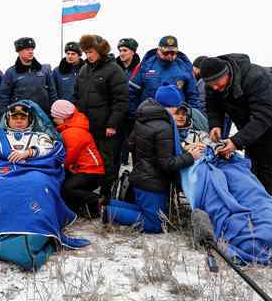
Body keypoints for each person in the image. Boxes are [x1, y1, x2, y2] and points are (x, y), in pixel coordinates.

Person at [0, 100, 89, 271]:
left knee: (36, 185)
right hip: (3, 172)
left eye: (23, 117)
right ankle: (0, 230)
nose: (18, 120)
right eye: (14, 117)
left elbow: (55, 152)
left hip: (36, 171)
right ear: (7, 119)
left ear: (30, 120)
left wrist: (30, 152)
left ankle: (36, 231)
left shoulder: (40, 137)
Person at [105, 85, 203, 233]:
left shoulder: (144, 117)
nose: (177, 111)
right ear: (170, 106)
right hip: (152, 183)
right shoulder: (164, 127)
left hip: (140, 177)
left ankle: (108, 204)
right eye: (176, 107)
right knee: (156, 225)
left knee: (142, 211)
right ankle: (108, 212)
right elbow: (166, 164)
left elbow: (130, 143)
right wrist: (191, 156)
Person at [201, 55, 272, 195]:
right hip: (246, 119)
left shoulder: (256, 78)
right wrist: (215, 125)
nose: (215, 87)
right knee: (252, 156)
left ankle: (264, 202)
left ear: (227, 73)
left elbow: (263, 116)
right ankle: (250, 194)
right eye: (211, 84)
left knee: (266, 161)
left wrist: (236, 141)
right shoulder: (212, 83)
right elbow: (213, 107)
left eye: (217, 82)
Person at [74, 34, 128, 200]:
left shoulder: (114, 70)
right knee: (89, 159)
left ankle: (107, 195)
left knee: (107, 161)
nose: (88, 55)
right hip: (86, 126)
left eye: (91, 51)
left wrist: (112, 124)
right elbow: (76, 95)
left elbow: (121, 100)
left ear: (100, 50)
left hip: (105, 127)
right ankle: (91, 195)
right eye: (85, 52)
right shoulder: (83, 69)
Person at [50, 100, 104, 218]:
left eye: (55, 117)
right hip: (86, 169)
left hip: (91, 171)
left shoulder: (73, 132)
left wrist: (56, 165)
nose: (53, 120)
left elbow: (69, 156)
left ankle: (95, 200)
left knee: (67, 188)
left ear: (63, 117)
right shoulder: (73, 128)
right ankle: (81, 207)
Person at [129, 35, 202, 112]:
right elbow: (132, 92)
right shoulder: (146, 65)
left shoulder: (185, 67)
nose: (169, 56)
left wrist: (193, 116)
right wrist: (134, 115)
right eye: (166, 53)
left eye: (173, 53)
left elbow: (193, 96)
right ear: (158, 50)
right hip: (150, 115)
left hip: (176, 115)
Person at [0, 37, 57, 114]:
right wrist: (4, 115)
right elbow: (4, 96)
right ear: (19, 52)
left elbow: (52, 92)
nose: (31, 52)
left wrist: (54, 112)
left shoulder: (45, 70)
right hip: (21, 116)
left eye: (32, 49)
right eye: (27, 49)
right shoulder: (11, 72)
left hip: (43, 114)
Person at [116, 38, 140, 166]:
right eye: (120, 50)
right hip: (118, 113)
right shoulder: (114, 69)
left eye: (125, 50)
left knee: (135, 144)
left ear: (133, 52)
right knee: (119, 146)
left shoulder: (140, 70)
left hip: (134, 113)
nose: (121, 53)